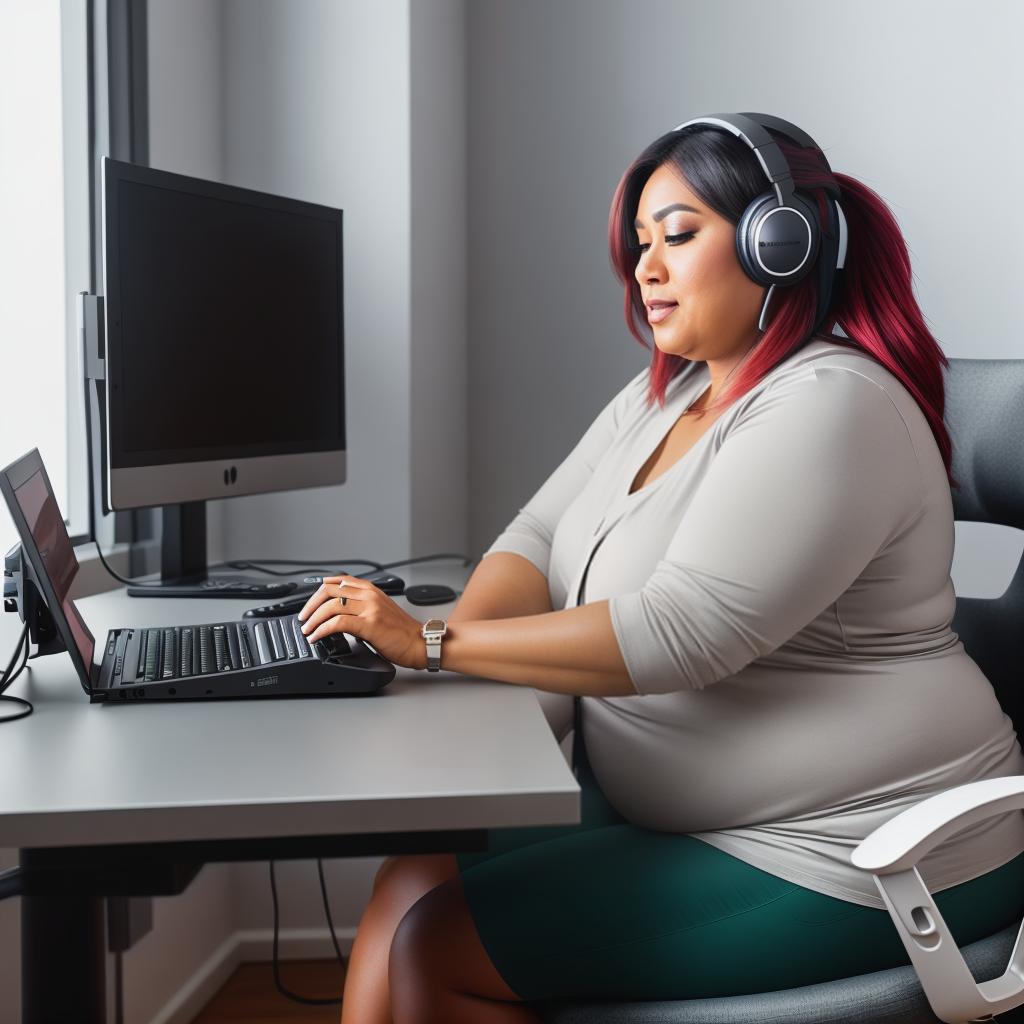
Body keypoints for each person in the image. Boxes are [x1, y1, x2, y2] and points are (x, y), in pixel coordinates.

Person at [298, 117, 1024, 1024]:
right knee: (414, 875)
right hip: (689, 813)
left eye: (677, 236)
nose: (645, 269)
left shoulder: (833, 406)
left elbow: (684, 633)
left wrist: (435, 642)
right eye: (640, 244)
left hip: (863, 847)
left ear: (779, 244)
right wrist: (444, 657)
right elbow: (535, 539)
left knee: (437, 949)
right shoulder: (672, 392)